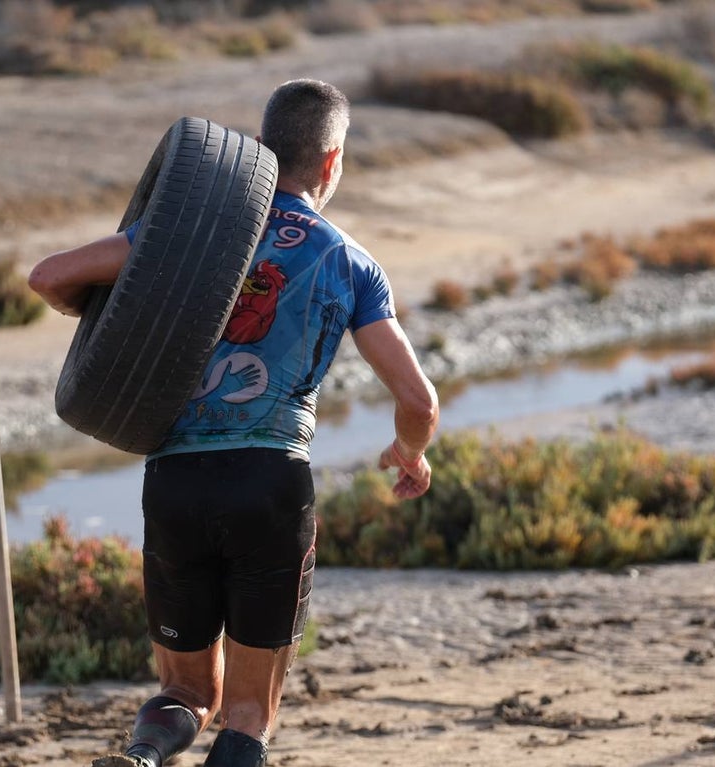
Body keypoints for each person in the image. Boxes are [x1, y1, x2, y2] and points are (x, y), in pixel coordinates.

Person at [28, 79, 439, 767]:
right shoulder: (350, 262)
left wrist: (109, 311)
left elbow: (48, 277)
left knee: (186, 690)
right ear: (332, 161)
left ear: (261, 149)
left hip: (176, 480)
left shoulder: (189, 236)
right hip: (271, 483)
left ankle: (143, 757)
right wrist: (409, 451)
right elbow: (419, 401)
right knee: (248, 710)